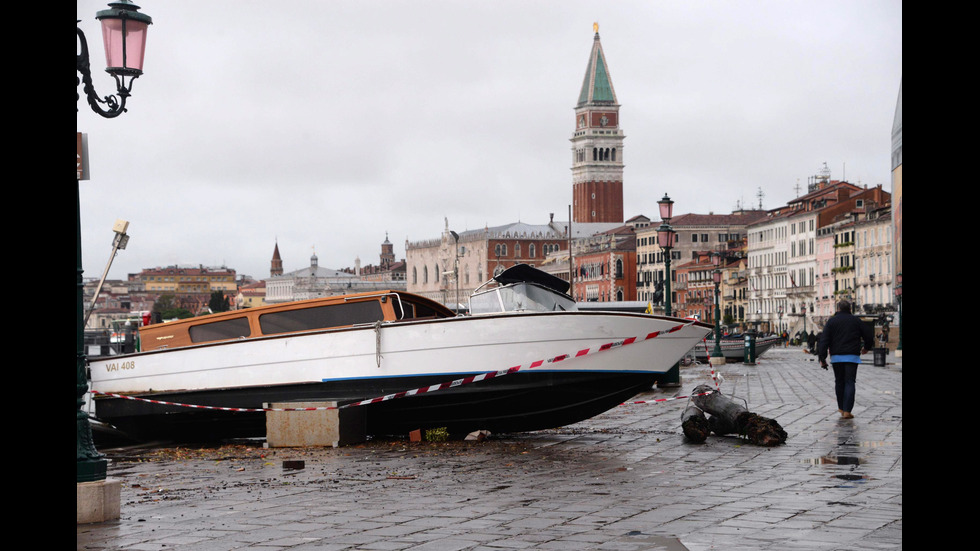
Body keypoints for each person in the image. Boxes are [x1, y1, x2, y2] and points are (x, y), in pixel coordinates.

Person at [817, 300, 874, 419]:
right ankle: (847, 410)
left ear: (838, 309)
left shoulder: (831, 321)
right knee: (850, 382)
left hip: (837, 357)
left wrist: (822, 357)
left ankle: (841, 408)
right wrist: (866, 348)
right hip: (852, 356)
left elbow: (824, 340)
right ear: (850, 309)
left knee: (839, 381)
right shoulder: (856, 321)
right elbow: (868, 335)